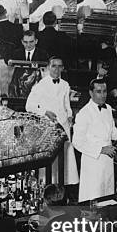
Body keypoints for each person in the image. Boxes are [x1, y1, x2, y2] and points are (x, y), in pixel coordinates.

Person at [73, 78, 117, 203]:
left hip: (107, 161)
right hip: (93, 162)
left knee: (106, 195)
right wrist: (101, 149)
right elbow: (77, 141)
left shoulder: (108, 109)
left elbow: (111, 133)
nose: (103, 95)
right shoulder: (84, 113)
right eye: (99, 91)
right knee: (93, 197)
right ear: (91, 93)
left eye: (105, 91)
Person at [26, 57, 79, 185]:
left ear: (62, 68)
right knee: (49, 157)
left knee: (65, 156)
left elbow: (67, 105)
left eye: (59, 66)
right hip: (47, 126)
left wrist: (70, 115)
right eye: (54, 66)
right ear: (49, 67)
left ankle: (64, 185)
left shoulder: (65, 85)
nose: (56, 69)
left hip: (63, 125)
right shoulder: (41, 85)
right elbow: (29, 106)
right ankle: (47, 185)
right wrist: (45, 112)